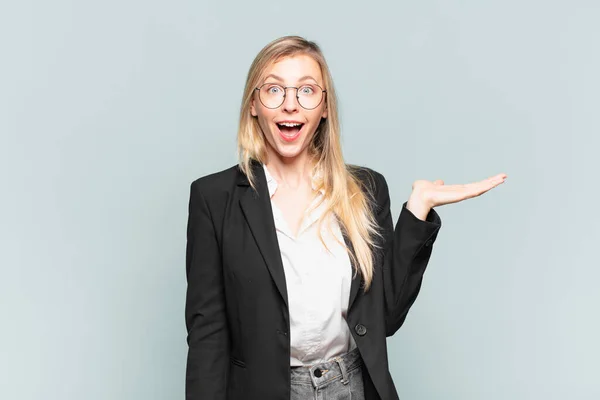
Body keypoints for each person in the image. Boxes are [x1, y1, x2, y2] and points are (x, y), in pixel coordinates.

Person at [184, 36, 506, 400]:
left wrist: (418, 211)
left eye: (306, 90)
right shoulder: (213, 198)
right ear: (254, 104)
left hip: (351, 387)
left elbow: (386, 315)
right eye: (274, 90)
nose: (291, 105)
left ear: (324, 107)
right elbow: (207, 333)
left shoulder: (365, 189)